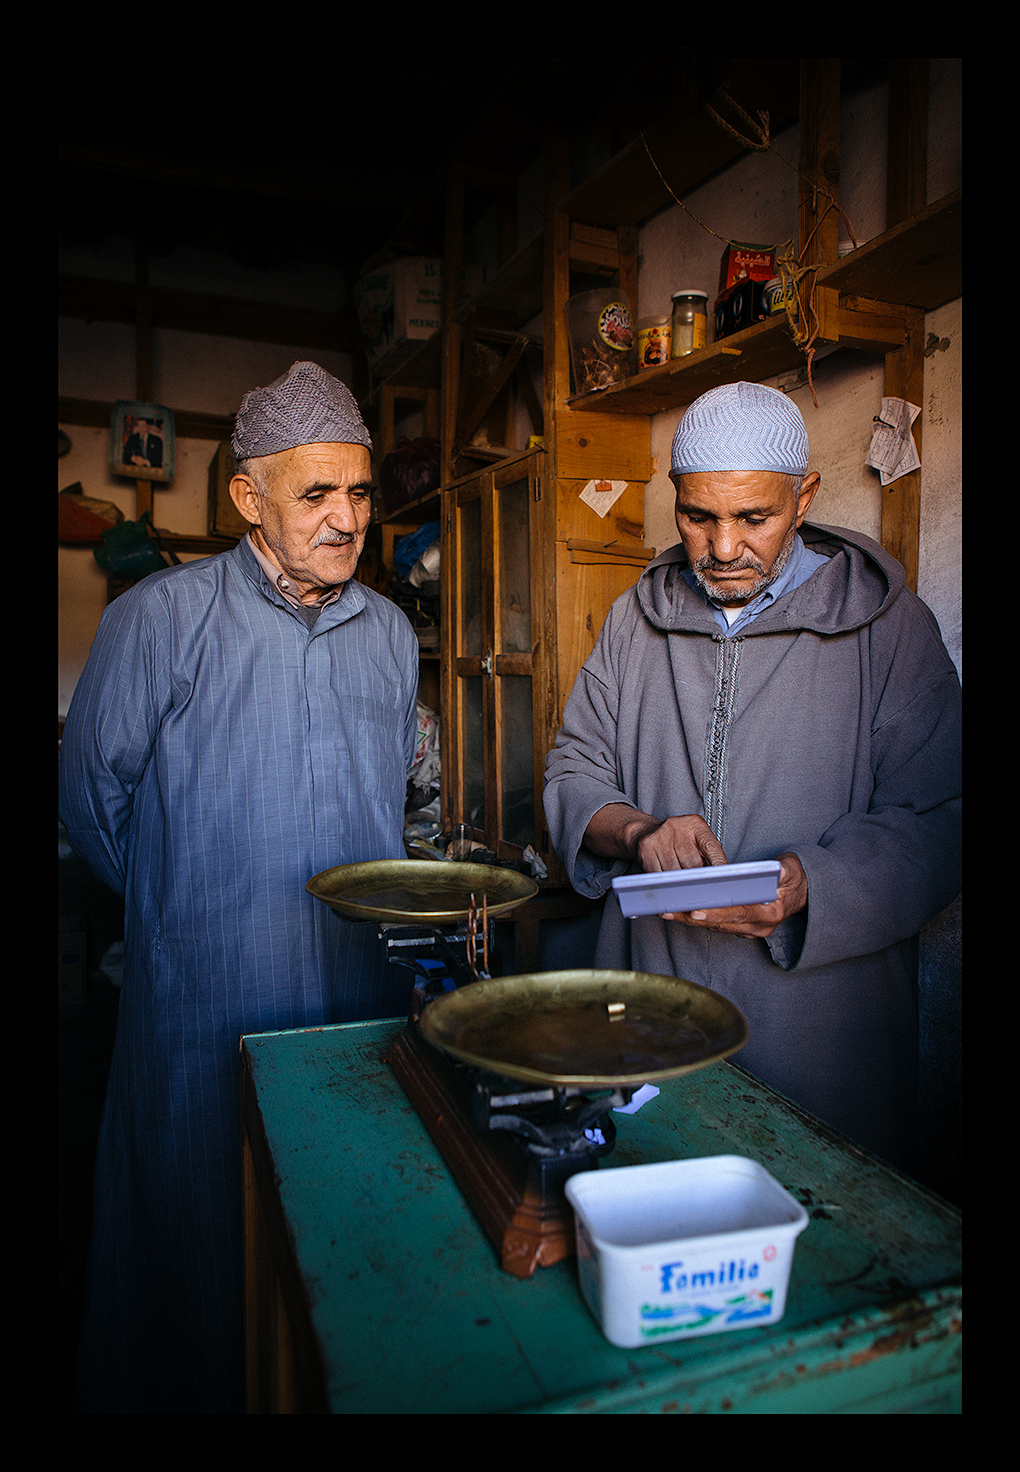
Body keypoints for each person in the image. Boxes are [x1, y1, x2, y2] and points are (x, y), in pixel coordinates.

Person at [60, 361, 419, 1414]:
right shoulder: (163, 619)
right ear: (248, 498)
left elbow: (383, 804)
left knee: (346, 1240)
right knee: (197, 1226)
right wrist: (182, 905)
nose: (346, 518)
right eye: (316, 494)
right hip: (203, 993)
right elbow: (89, 801)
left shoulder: (391, 634)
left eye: (359, 492)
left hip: (359, 989)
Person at [543, 381, 961, 1174]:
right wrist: (634, 828)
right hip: (653, 999)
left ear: (803, 497)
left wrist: (811, 883)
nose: (723, 548)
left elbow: (941, 813)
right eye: (698, 516)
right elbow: (573, 765)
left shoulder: (886, 626)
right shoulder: (639, 617)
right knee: (656, 1204)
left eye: (753, 518)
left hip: (822, 1028)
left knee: (825, 1232)